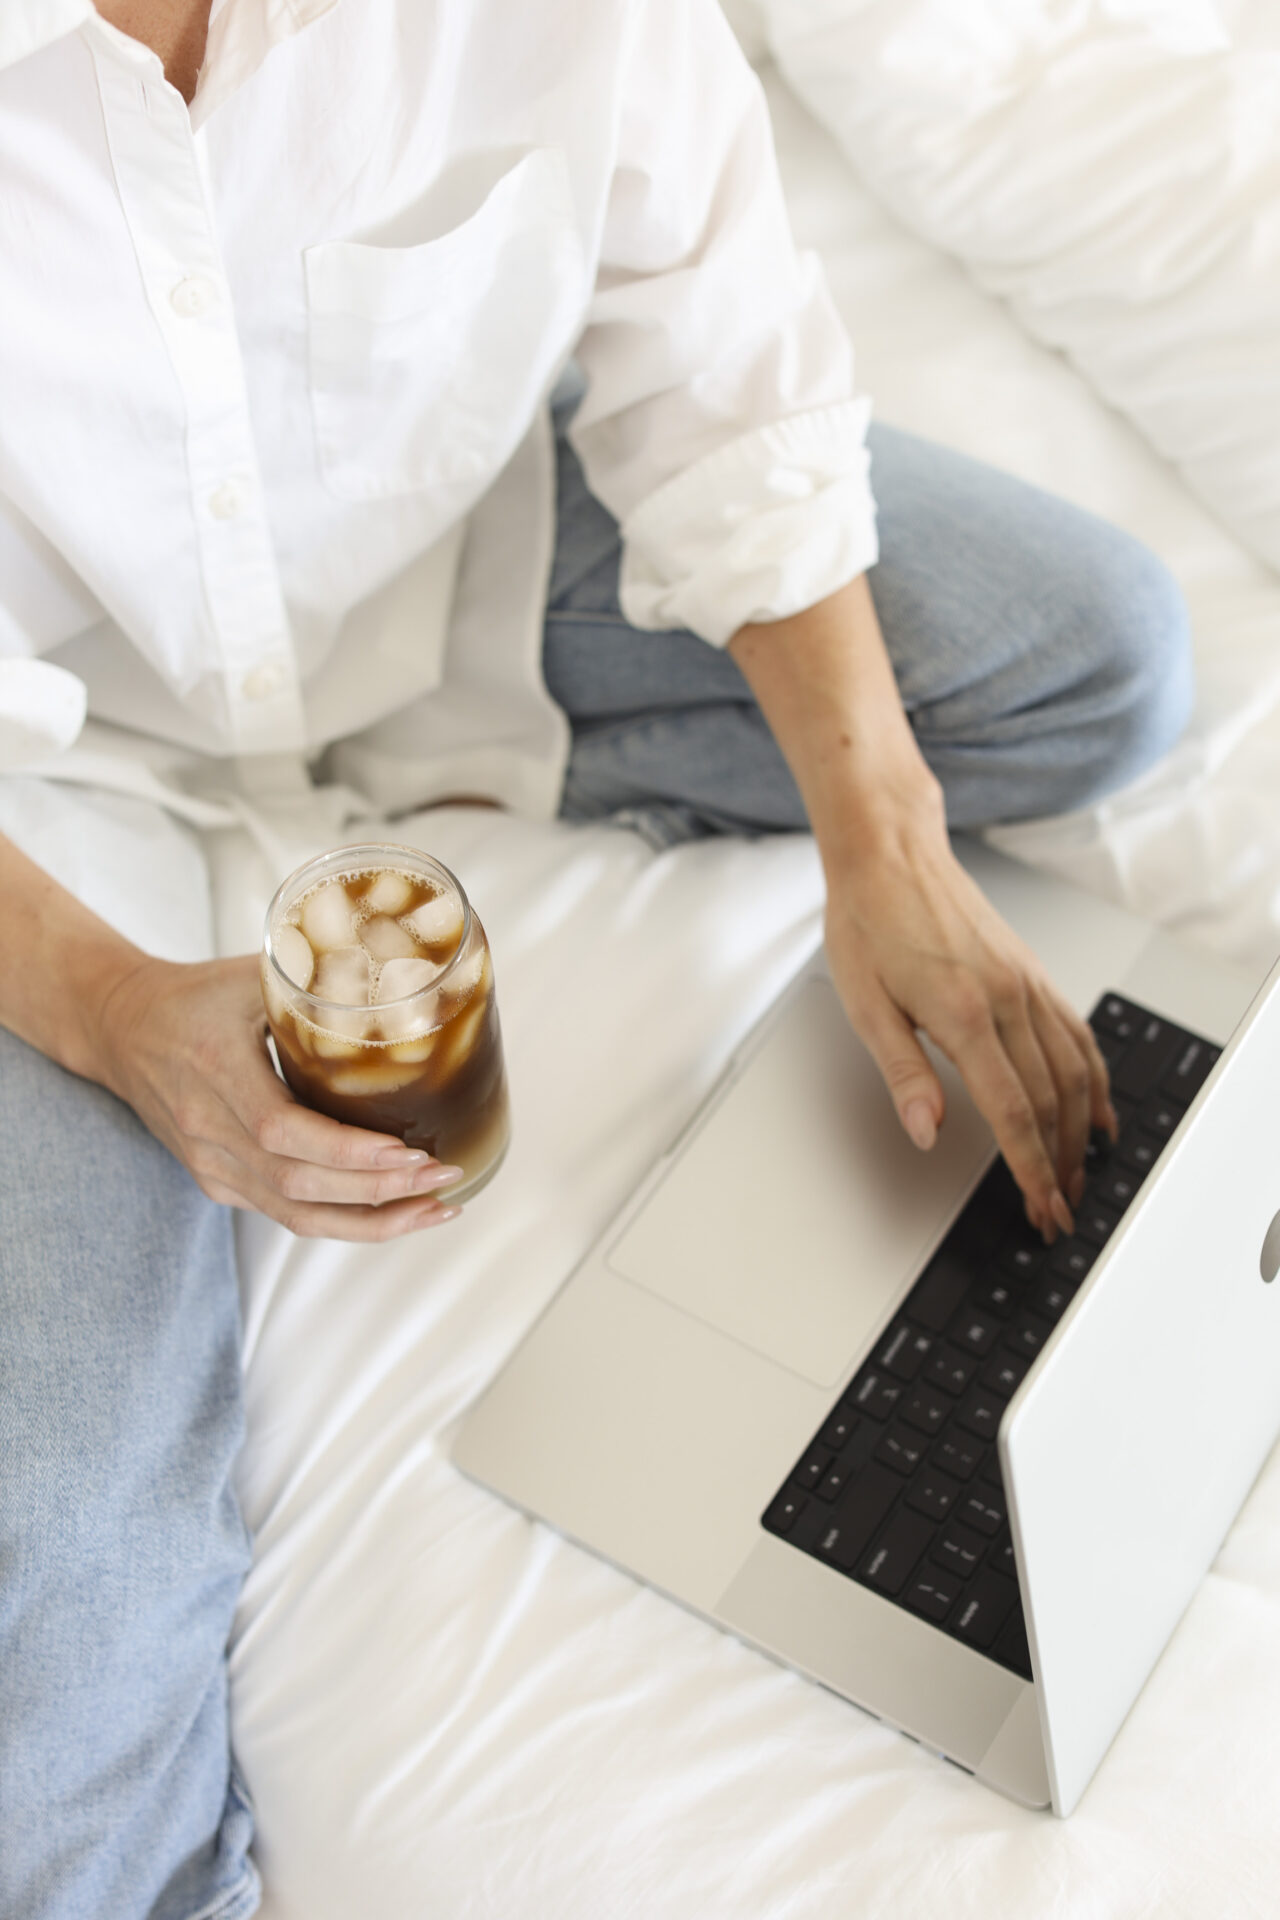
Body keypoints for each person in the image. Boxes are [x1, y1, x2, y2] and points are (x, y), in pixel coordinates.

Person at [0, 1, 1193, 1915]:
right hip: (36, 787)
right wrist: (115, 1010)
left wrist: (878, 835)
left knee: (1102, 658)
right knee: (43, 1638)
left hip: (438, 556)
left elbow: (717, 352)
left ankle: (472, 767)